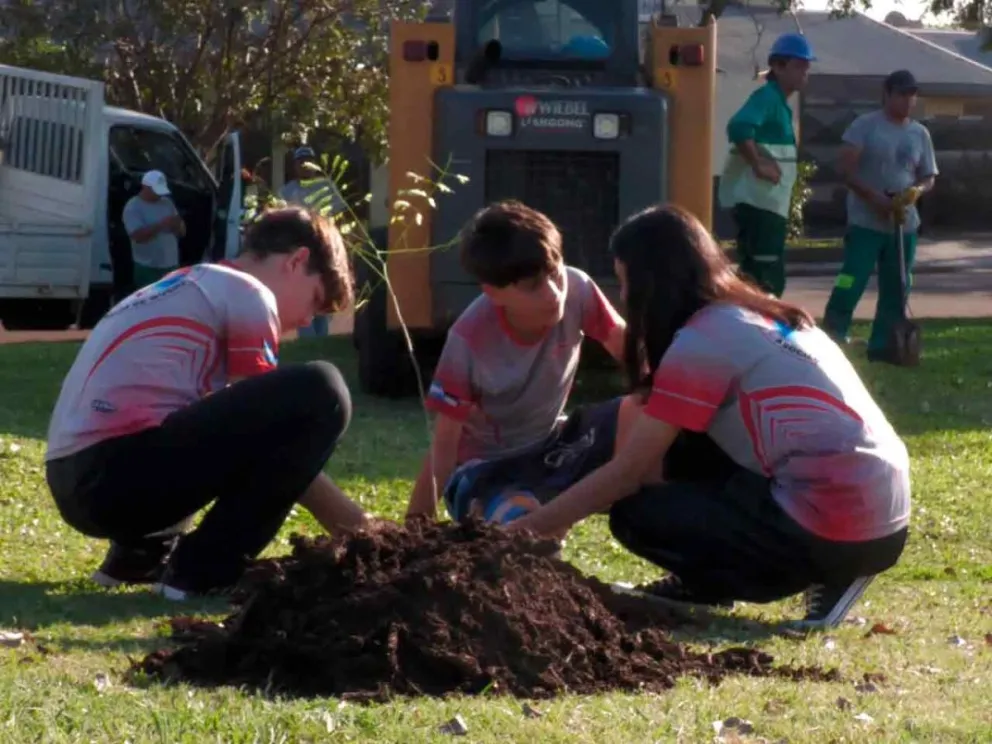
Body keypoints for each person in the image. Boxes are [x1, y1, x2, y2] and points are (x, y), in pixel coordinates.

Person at [507, 204, 911, 630]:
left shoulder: (702, 344)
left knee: (636, 513)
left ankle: (826, 574)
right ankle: (710, 585)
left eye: (627, 285)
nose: (624, 298)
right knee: (684, 461)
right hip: (886, 516)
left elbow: (630, 472)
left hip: (837, 528)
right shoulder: (762, 313)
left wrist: (523, 532)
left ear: (653, 285)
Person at [44, 207, 369, 601]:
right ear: (297, 261)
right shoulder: (250, 295)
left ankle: (139, 558)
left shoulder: (187, 283)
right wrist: (357, 527)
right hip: (116, 474)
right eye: (314, 301)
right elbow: (270, 438)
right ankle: (203, 572)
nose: (303, 321)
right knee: (324, 390)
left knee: (204, 410)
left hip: (72, 478)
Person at [404, 200, 627, 527]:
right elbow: (444, 446)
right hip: (487, 471)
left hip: (554, 446)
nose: (554, 293)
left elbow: (631, 350)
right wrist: (414, 526)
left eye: (555, 273)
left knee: (644, 419)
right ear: (494, 293)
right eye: (533, 286)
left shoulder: (578, 289)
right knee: (522, 532)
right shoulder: (468, 341)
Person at [822, 70, 938, 362]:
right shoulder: (864, 126)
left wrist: (914, 193)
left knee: (897, 284)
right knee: (852, 278)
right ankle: (834, 334)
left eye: (912, 94)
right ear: (886, 94)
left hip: (903, 225)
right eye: (901, 94)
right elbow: (846, 170)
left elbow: (928, 176)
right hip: (866, 221)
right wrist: (873, 198)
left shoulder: (919, 133)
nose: (907, 100)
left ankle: (884, 344)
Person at [718, 32, 815, 298]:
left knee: (754, 271)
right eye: (799, 65)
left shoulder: (779, 103)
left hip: (768, 203)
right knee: (766, 274)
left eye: (807, 66)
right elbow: (739, 127)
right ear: (777, 66)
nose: (805, 72)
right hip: (761, 204)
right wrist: (759, 164)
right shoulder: (767, 98)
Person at [279, 146, 350, 338]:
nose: (304, 165)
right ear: (294, 165)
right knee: (302, 292)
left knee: (323, 291)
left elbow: (339, 214)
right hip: (298, 250)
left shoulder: (326, 186)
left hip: (323, 246)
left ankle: (322, 337)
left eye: (308, 160)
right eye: (300, 161)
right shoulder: (287, 191)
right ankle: (307, 337)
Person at [122, 170, 185, 289]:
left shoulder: (167, 203)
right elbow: (138, 237)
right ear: (145, 187)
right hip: (148, 268)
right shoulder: (133, 207)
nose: (160, 195)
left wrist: (178, 226)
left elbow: (181, 232)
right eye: (156, 191)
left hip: (170, 266)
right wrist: (161, 225)